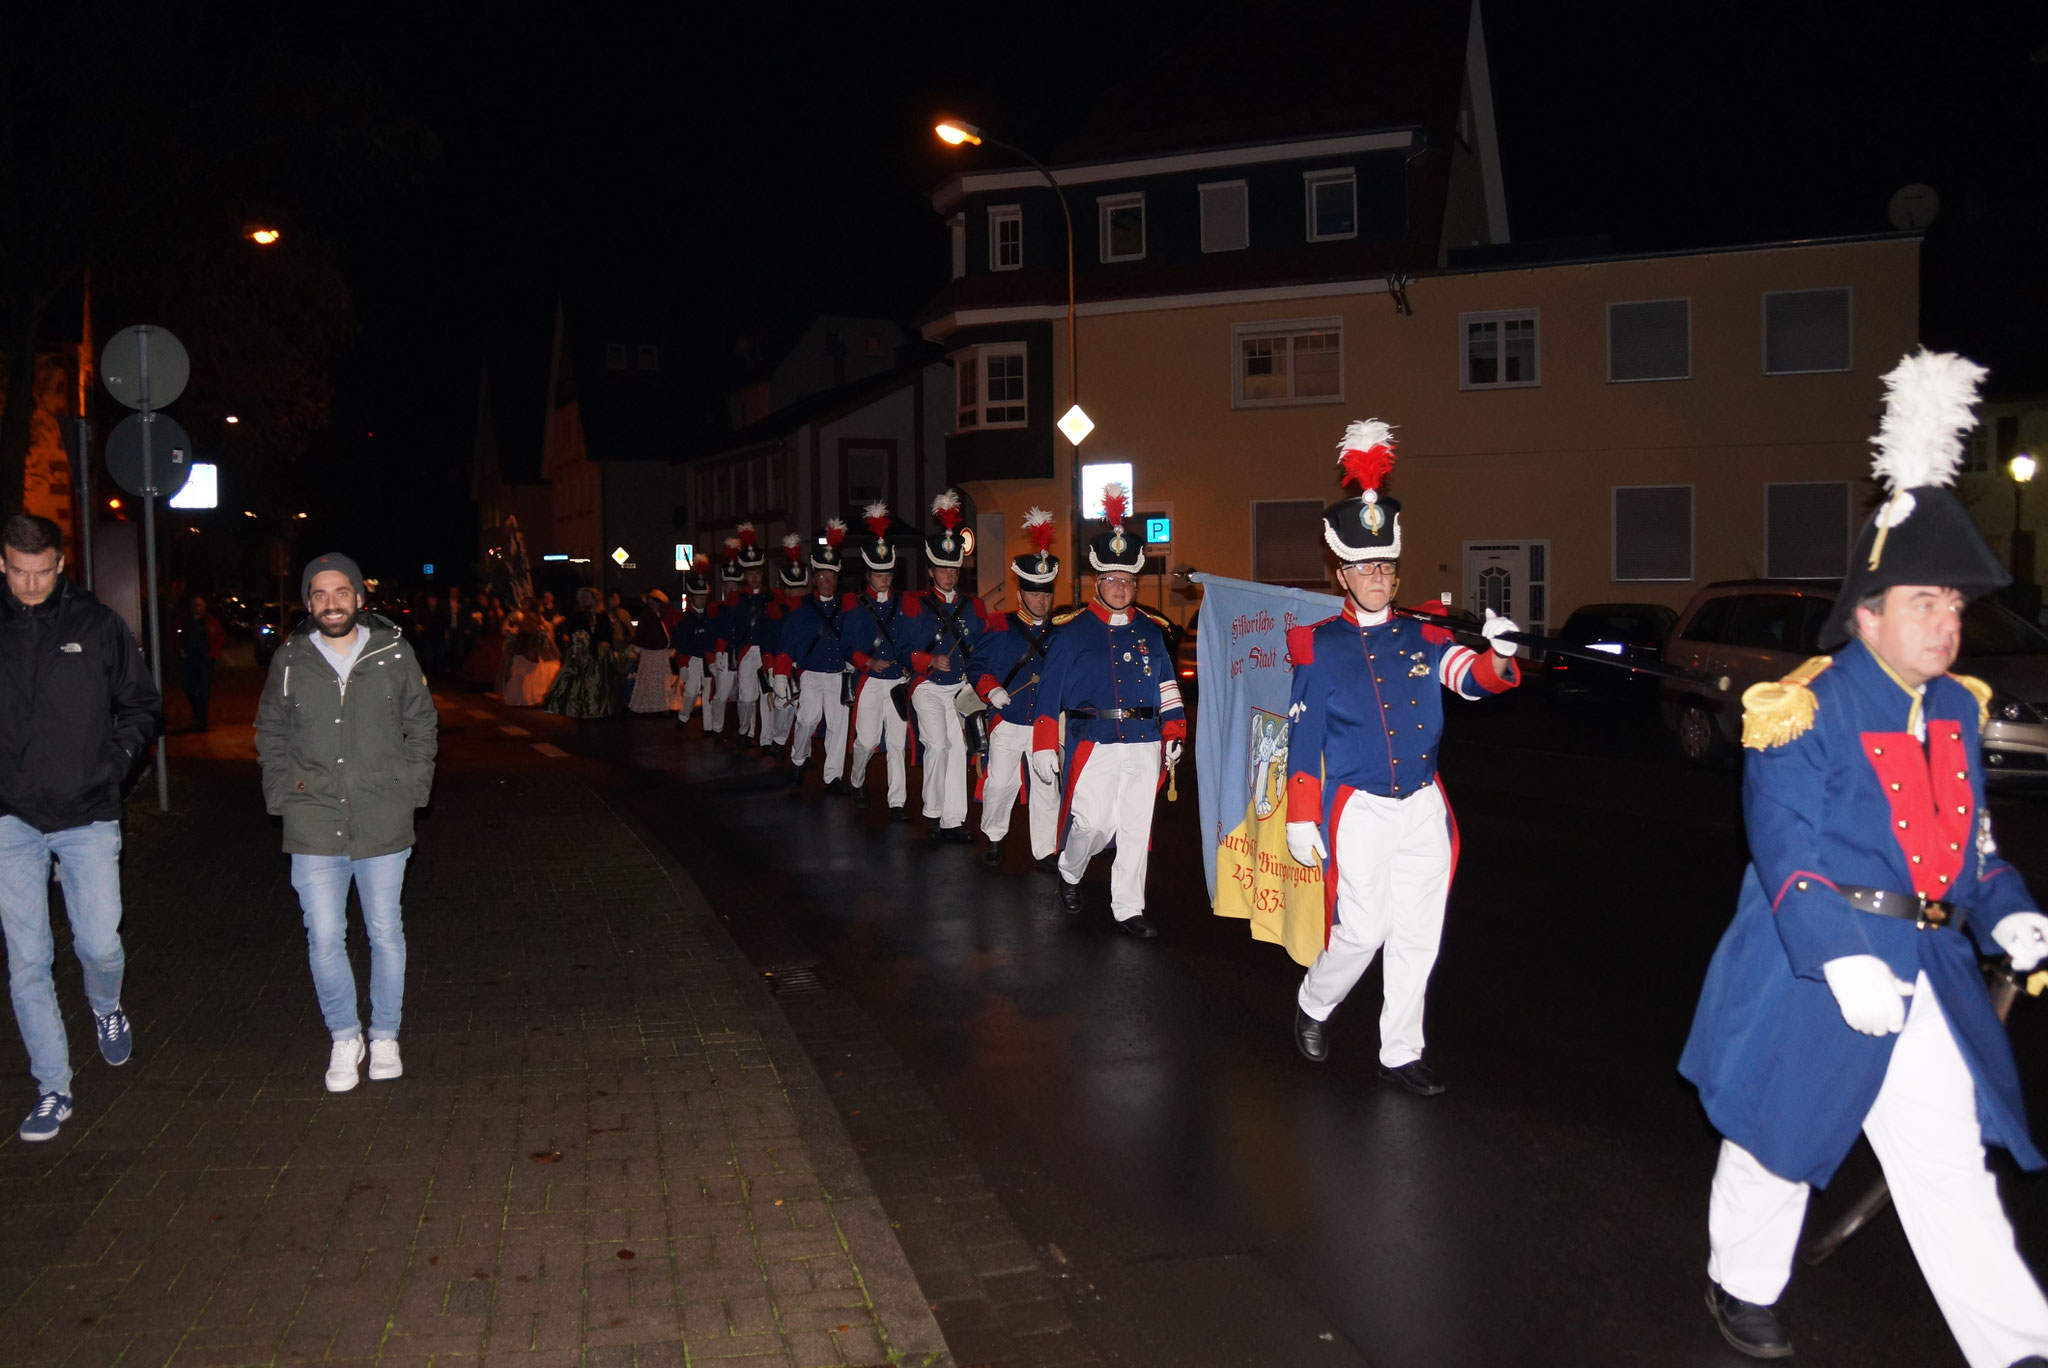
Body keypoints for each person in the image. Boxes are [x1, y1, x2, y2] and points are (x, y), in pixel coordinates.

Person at [1679, 352, 2048, 1366]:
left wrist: (2006, 906)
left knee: (1945, 1162)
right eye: (1925, 601)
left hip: (1922, 968)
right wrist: (1837, 955)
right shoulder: (1802, 707)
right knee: (1775, 1144)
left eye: (1953, 605)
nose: (1947, 621)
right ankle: (1739, 1282)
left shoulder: (1953, 717)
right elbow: (1784, 846)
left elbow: (1967, 852)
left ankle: (2014, 1345)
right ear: (1869, 611)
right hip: (1816, 965)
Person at [1281, 421, 1520, 1095]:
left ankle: (1400, 1049)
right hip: (1358, 808)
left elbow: (1470, 679)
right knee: (1361, 930)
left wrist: (1499, 656)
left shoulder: (1425, 632)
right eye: (1364, 567)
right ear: (1342, 572)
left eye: (1385, 565)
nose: (1377, 577)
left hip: (1423, 805)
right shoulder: (1321, 646)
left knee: (1419, 934)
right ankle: (1314, 1002)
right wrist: (1303, 815)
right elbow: (1303, 732)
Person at [0, 514, 159, 1141]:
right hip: (11, 817)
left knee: (98, 945)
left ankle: (106, 1005)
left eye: (42, 572)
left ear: (61, 564)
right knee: (27, 959)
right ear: (3, 564)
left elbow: (141, 706)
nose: (31, 584)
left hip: (88, 813)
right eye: (19, 572)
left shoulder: (97, 626)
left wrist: (113, 766)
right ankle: (53, 1087)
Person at [256, 553, 437, 1093]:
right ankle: (344, 1036)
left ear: (360, 598)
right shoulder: (289, 660)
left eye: (341, 593)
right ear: (308, 603)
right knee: (325, 936)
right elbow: (271, 733)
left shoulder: (393, 652)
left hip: (382, 814)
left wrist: (412, 787)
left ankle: (384, 1034)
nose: (331, 604)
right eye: (319, 594)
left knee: (385, 932)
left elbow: (421, 722)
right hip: (314, 817)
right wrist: (283, 795)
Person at [1030, 485, 1185, 939]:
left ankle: (1128, 908)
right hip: (1093, 742)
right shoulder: (1071, 631)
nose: (1121, 588)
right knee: (1094, 823)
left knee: (1135, 827)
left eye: (1128, 581)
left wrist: (1174, 730)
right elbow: (1049, 692)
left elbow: (1167, 685)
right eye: (1113, 580)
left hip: (1144, 742)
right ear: (1097, 582)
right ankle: (1071, 869)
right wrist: (1043, 744)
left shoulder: (1152, 630)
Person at [974, 508, 1063, 871]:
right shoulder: (998, 625)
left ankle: (1045, 851)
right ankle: (994, 835)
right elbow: (976, 665)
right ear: (1021, 592)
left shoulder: (1061, 632)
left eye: (1046, 595)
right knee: (1001, 785)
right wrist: (991, 689)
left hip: (1044, 723)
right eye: (1035, 594)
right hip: (1009, 719)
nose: (1042, 601)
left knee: (1047, 787)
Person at [904, 490, 993, 843]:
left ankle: (954, 821)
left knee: (959, 749)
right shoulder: (915, 603)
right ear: (931, 571)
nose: (949, 575)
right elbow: (904, 648)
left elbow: (984, 645)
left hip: (958, 688)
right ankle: (932, 812)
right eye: (943, 569)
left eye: (953, 568)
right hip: (927, 686)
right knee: (938, 746)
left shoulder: (974, 606)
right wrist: (928, 660)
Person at [845, 503, 918, 821]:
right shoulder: (854, 603)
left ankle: (897, 802)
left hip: (897, 681)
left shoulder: (904, 602)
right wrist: (866, 662)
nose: (884, 578)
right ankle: (857, 780)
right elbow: (847, 643)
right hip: (871, 680)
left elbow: (912, 640)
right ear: (868, 575)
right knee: (867, 740)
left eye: (888, 573)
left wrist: (907, 664)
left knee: (897, 742)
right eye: (878, 573)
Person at [774, 520, 854, 792]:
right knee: (807, 719)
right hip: (811, 672)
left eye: (831, 577)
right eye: (822, 577)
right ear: (814, 579)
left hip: (838, 673)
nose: (827, 582)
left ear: (836, 578)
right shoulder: (801, 608)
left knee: (838, 725)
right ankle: (798, 759)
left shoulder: (847, 606)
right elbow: (787, 642)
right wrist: (781, 675)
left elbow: (857, 637)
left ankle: (833, 777)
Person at [709, 526, 777, 746]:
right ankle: (745, 730)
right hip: (746, 651)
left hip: (768, 652)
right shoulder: (736, 599)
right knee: (747, 698)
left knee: (768, 699)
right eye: (750, 573)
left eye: (757, 572)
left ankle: (766, 740)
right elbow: (726, 627)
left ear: (763, 573)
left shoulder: (773, 597)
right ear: (745, 575)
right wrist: (720, 652)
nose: (754, 577)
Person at [759, 535, 809, 755]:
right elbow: (768, 642)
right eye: (794, 590)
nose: (797, 594)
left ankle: (803, 754)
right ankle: (779, 740)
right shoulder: (775, 611)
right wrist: (771, 668)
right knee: (783, 707)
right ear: (787, 590)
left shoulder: (812, 609)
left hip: (807, 664)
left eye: (801, 590)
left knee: (806, 714)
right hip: (783, 663)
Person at [669, 560, 716, 728]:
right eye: (698, 596)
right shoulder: (685, 618)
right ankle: (683, 717)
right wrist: (682, 666)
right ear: (692, 597)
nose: (701, 600)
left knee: (709, 694)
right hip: (693, 660)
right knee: (691, 691)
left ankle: (709, 727)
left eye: (703, 596)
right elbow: (681, 644)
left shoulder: (711, 615)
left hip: (708, 659)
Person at [173, 594, 226, 732]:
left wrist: (212, 654)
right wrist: (180, 649)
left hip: (204, 660)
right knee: (188, 686)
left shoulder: (210, 621)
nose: (196, 608)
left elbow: (220, 637)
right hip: (189, 659)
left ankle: (202, 720)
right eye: (194, 605)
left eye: (199, 605)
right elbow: (174, 635)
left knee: (203, 690)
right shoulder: (183, 621)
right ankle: (196, 711)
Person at [626, 590, 674, 714]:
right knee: (649, 681)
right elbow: (641, 634)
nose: (651, 605)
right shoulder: (647, 616)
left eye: (654, 603)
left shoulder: (663, 615)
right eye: (650, 603)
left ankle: (663, 705)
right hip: (650, 654)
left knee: (662, 682)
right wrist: (637, 648)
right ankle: (648, 706)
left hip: (661, 655)